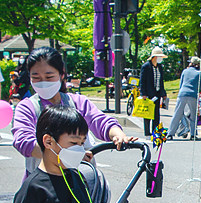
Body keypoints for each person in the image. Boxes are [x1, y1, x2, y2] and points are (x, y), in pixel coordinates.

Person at [11, 46, 132, 175]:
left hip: (80, 178)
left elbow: (100, 121)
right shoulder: (27, 107)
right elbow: (24, 141)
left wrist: (117, 134)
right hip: (43, 181)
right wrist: (67, 156)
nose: (43, 82)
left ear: (61, 75)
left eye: (49, 76)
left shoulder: (77, 102)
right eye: (36, 77)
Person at [7, 106, 92, 203]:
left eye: (82, 144)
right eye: (73, 143)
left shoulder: (77, 178)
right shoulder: (33, 189)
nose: (79, 149)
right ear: (48, 141)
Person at [167, 56, 201, 140]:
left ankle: (170, 133)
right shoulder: (199, 73)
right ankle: (193, 135)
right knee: (193, 115)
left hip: (182, 94)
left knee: (177, 114)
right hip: (193, 95)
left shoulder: (185, 71)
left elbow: (181, 84)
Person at [137, 48, 167, 135]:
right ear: (154, 57)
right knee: (147, 114)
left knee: (156, 114)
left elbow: (161, 81)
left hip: (157, 93)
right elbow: (142, 81)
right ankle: (147, 132)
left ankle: (155, 131)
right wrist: (143, 93)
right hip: (148, 94)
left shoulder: (160, 67)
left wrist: (163, 93)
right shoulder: (146, 66)